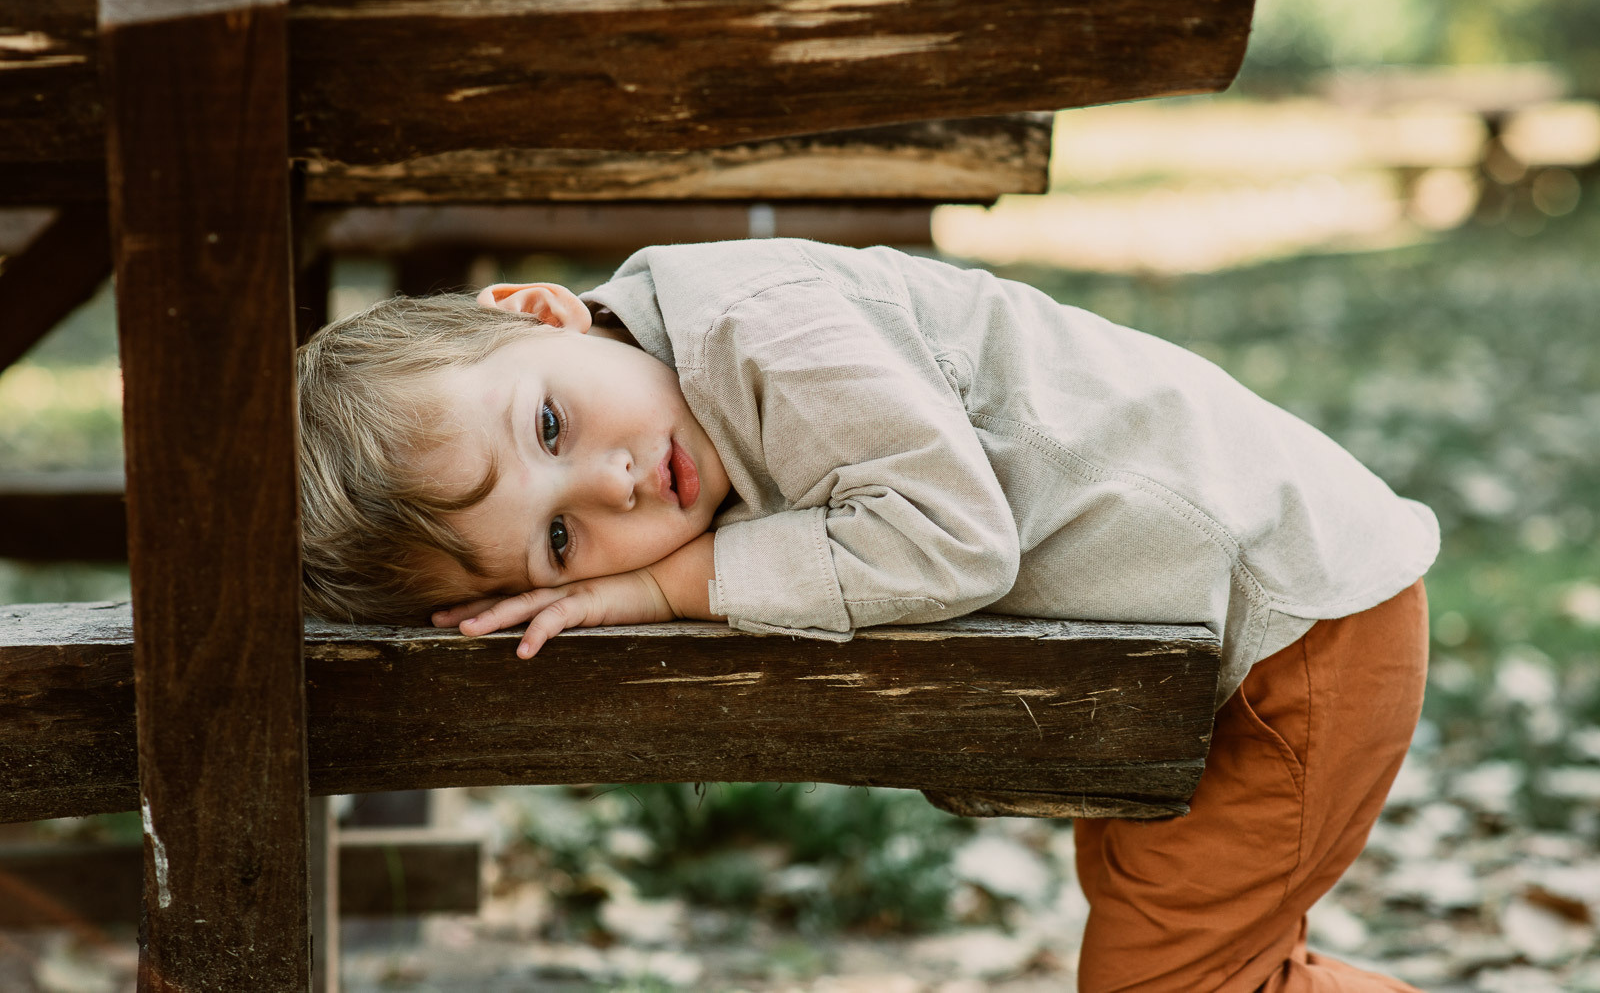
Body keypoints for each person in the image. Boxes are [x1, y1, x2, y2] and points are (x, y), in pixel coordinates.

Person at [298, 237, 1437, 992]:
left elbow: (949, 538)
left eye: (548, 426)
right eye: (559, 542)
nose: (611, 483)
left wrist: (658, 588)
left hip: (1295, 626)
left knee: (1179, 985)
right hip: (1229, 625)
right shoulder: (680, 363)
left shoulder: (762, 327)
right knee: (1200, 963)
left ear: (542, 312)